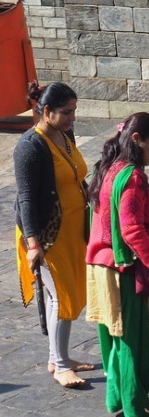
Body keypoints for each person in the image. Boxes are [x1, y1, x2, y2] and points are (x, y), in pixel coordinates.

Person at [85, 112, 149, 417]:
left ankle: (116, 398)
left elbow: (117, 218)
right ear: (137, 139)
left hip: (99, 265)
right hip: (121, 269)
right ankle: (136, 407)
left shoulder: (109, 168)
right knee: (132, 342)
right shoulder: (133, 177)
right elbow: (131, 232)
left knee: (112, 339)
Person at [14, 82, 94, 388]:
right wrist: (33, 244)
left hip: (73, 229)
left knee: (66, 292)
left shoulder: (64, 134)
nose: (72, 117)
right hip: (47, 233)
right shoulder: (30, 147)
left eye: (74, 111)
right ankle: (61, 366)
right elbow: (26, 199)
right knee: (60, 295)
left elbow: (76, 174)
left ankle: (56, 356)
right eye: (66, 112)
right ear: (46, 111)